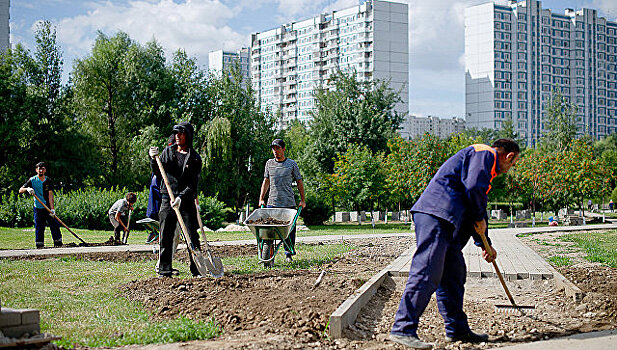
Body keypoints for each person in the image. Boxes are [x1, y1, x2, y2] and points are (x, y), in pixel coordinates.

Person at [390, 139, 520, 349]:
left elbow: (475, 210)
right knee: (427, 271)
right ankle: (402, 328)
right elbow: (474, 192)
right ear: (509, 156)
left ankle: (457, 330)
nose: (509, 169)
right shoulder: (484, 153)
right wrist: (479, 218)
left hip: (446, 220)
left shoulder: (483, 168)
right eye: (513, 164)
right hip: (435, 215)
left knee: (453, 274)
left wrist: (484, 244)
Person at [149, 122, 203, 278]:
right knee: (166, 234)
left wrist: (181, 197)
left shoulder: (194, 158)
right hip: (168, 197)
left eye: (181, 133)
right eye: (176, 133)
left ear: (188, 135)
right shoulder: (168, 152)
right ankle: (165, 270)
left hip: (185, 201)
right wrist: (153, 159)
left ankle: (197, 269)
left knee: (191, 236)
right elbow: (159, 172)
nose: (177, 136)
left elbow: (193, 184)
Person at [258, 138, 306, 263]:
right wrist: (261, 198)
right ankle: (267, 253)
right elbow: (266, 181)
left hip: (288, 203)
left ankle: (288, 254)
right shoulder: (269, 164)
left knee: (289, 231)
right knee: (268, 230)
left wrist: (302, 200)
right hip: (272, 203)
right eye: (273, 148)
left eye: (278, 148)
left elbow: (299, 182)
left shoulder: (291, 164)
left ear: (283, 149)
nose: (275, 151)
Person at [19, 162, 63, 249]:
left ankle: (58, 244)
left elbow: (50, 195)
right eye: (39, 168)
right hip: (38, 208)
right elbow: (20, 190)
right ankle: (39, 246)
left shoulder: (48, 180)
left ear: (45, 170)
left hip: (48, 207)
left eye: (43, 168)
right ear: (36, 170)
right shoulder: (32, 180)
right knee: (39, 227)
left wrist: (52, 209)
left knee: (54, 225)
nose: (41, 170)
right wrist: (27, 189)